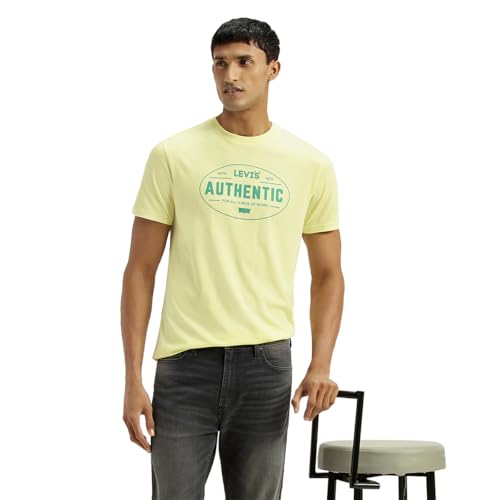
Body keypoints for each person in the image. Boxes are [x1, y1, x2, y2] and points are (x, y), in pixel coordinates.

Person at [121, 17, 345, 500]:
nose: (231, 75)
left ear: (273, 69)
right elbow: (139, 270)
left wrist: (321, 363)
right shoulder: (173, 155)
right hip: (184, 364)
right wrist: (132, 377)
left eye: (245, 61)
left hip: (266, 364)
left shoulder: (310, 164)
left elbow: (328, 274)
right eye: (220, 64)